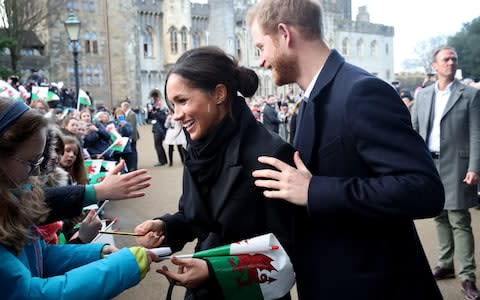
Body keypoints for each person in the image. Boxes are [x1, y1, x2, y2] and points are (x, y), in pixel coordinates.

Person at [247, 1, 445, 299]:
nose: (260, 61)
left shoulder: (361, 91)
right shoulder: (308, 104)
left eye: (260, 47)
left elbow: (424, 190)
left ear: (284, 34)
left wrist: (314, 190)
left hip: (379, 288)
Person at [134, 46, 295, 299]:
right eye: (172, 105)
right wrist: (166, 227)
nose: (176, 116)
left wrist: (215, 271)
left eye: (182, 101)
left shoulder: (271, 154)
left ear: (219, 94)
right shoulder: (198, 147)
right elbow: (195, 217)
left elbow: (286, 250)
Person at [0, 98, 158, 299]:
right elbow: (31, 294)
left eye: (39, 161)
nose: (36, 172)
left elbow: (42, 257)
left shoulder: (15, 198)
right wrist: (123, 266)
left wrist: (96, 253)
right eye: (30, 161)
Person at [411, 46, 480, 300]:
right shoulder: (423, 95)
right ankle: (446, 263)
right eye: (446, 59)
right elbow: (415, 131)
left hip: (458, 165)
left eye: (454, 59)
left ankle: (467, 277)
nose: (451, 62)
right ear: (435, 65)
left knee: (459, 220)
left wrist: (475, 166)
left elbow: (476, 133)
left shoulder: (470, 95)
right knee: (438, 215)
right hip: (429, 164)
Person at [121, 101, 139, 171]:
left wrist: (130, 137)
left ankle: (134, 166)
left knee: (133, 151)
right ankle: (133, 165)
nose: (122, 108)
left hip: (132, 136)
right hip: (130, 136)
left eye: (122, 107)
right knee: (132, 151)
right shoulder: (127, 114)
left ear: (125, 107)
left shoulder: (131, 114)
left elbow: (133, 126)